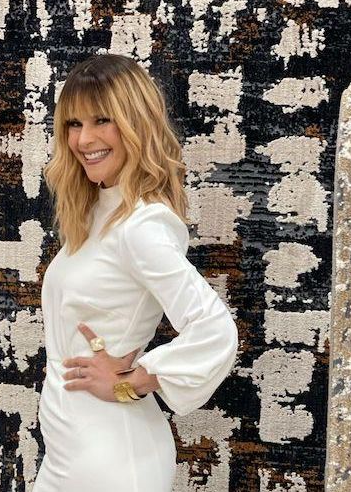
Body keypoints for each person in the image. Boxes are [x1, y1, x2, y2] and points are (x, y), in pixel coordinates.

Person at [33, 53, 239, 491]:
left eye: (101, 120)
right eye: (73, 124)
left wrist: (132, 381)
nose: (84, 139)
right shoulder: (96, 211)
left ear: (135, 123)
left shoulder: (142, 225)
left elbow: (216, 330)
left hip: (112, 457)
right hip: (70, 451)